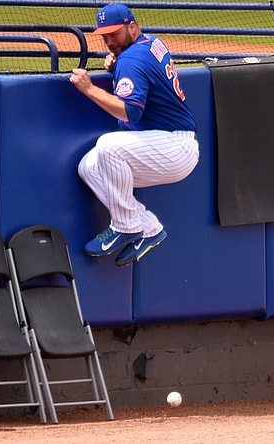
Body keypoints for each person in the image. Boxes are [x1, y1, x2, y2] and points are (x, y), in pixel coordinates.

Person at [69, 3, 199, 266]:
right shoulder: (150, 42)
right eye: (105, 36)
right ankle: (149, 228)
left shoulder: (130, 60)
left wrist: (89, 89)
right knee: (89, 167)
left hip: (174, 147)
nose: (109, 41)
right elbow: (142, 70)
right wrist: (117, 68)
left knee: (109, 145)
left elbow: (130, 113)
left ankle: (126, 226)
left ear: (132, 26)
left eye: (114, 34)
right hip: (161, 143)